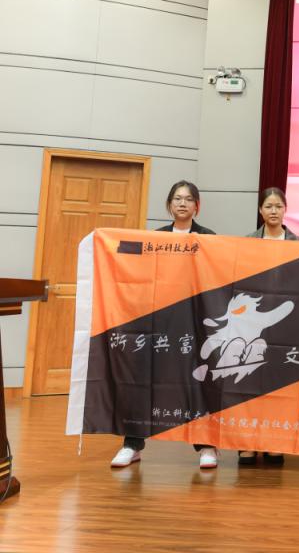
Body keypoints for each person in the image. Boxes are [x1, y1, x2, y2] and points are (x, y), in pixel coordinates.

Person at [110, 180, 218, 469]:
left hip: (193, 323)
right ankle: (132, 444)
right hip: (158, 323)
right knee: (143, 382)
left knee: (198, 383)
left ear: (197, 206)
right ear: (169, 204)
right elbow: (133, 267)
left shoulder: (209, 238)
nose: (182, 203)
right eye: (177, 198)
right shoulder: (155, 237)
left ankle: (206, 445)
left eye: (188, 199)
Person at [240, 187, 299, 466]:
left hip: (285, 322)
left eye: (278, 206)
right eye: (269, 206)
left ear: (285, 209)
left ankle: (274, 441)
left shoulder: (298, 243)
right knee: (250, 380)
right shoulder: (248, 241)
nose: (274, 211)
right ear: (260, 211)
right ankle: (247, 443)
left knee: (278, 381)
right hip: (252, 324)